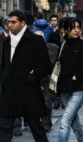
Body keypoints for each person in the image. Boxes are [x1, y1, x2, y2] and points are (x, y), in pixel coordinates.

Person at [0, 10, 51, 142]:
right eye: (8, 22)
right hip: (9, 89)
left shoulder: (35, 40)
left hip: (28, 89)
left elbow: (45, 65)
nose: (10, 25)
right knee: (4, 125)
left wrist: (32, 77)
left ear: (22, 23)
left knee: (35, 125)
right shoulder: (6, 42)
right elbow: (4, 65)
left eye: (13, 22)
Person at [56, 17, 83, 141]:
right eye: (73, 28)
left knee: (65, 121)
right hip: (64, 88)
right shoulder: (63, 44)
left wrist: (77, 76)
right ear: (67, 29)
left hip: (79, 89)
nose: (76, 30)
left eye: (78, 27)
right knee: (74, 123)